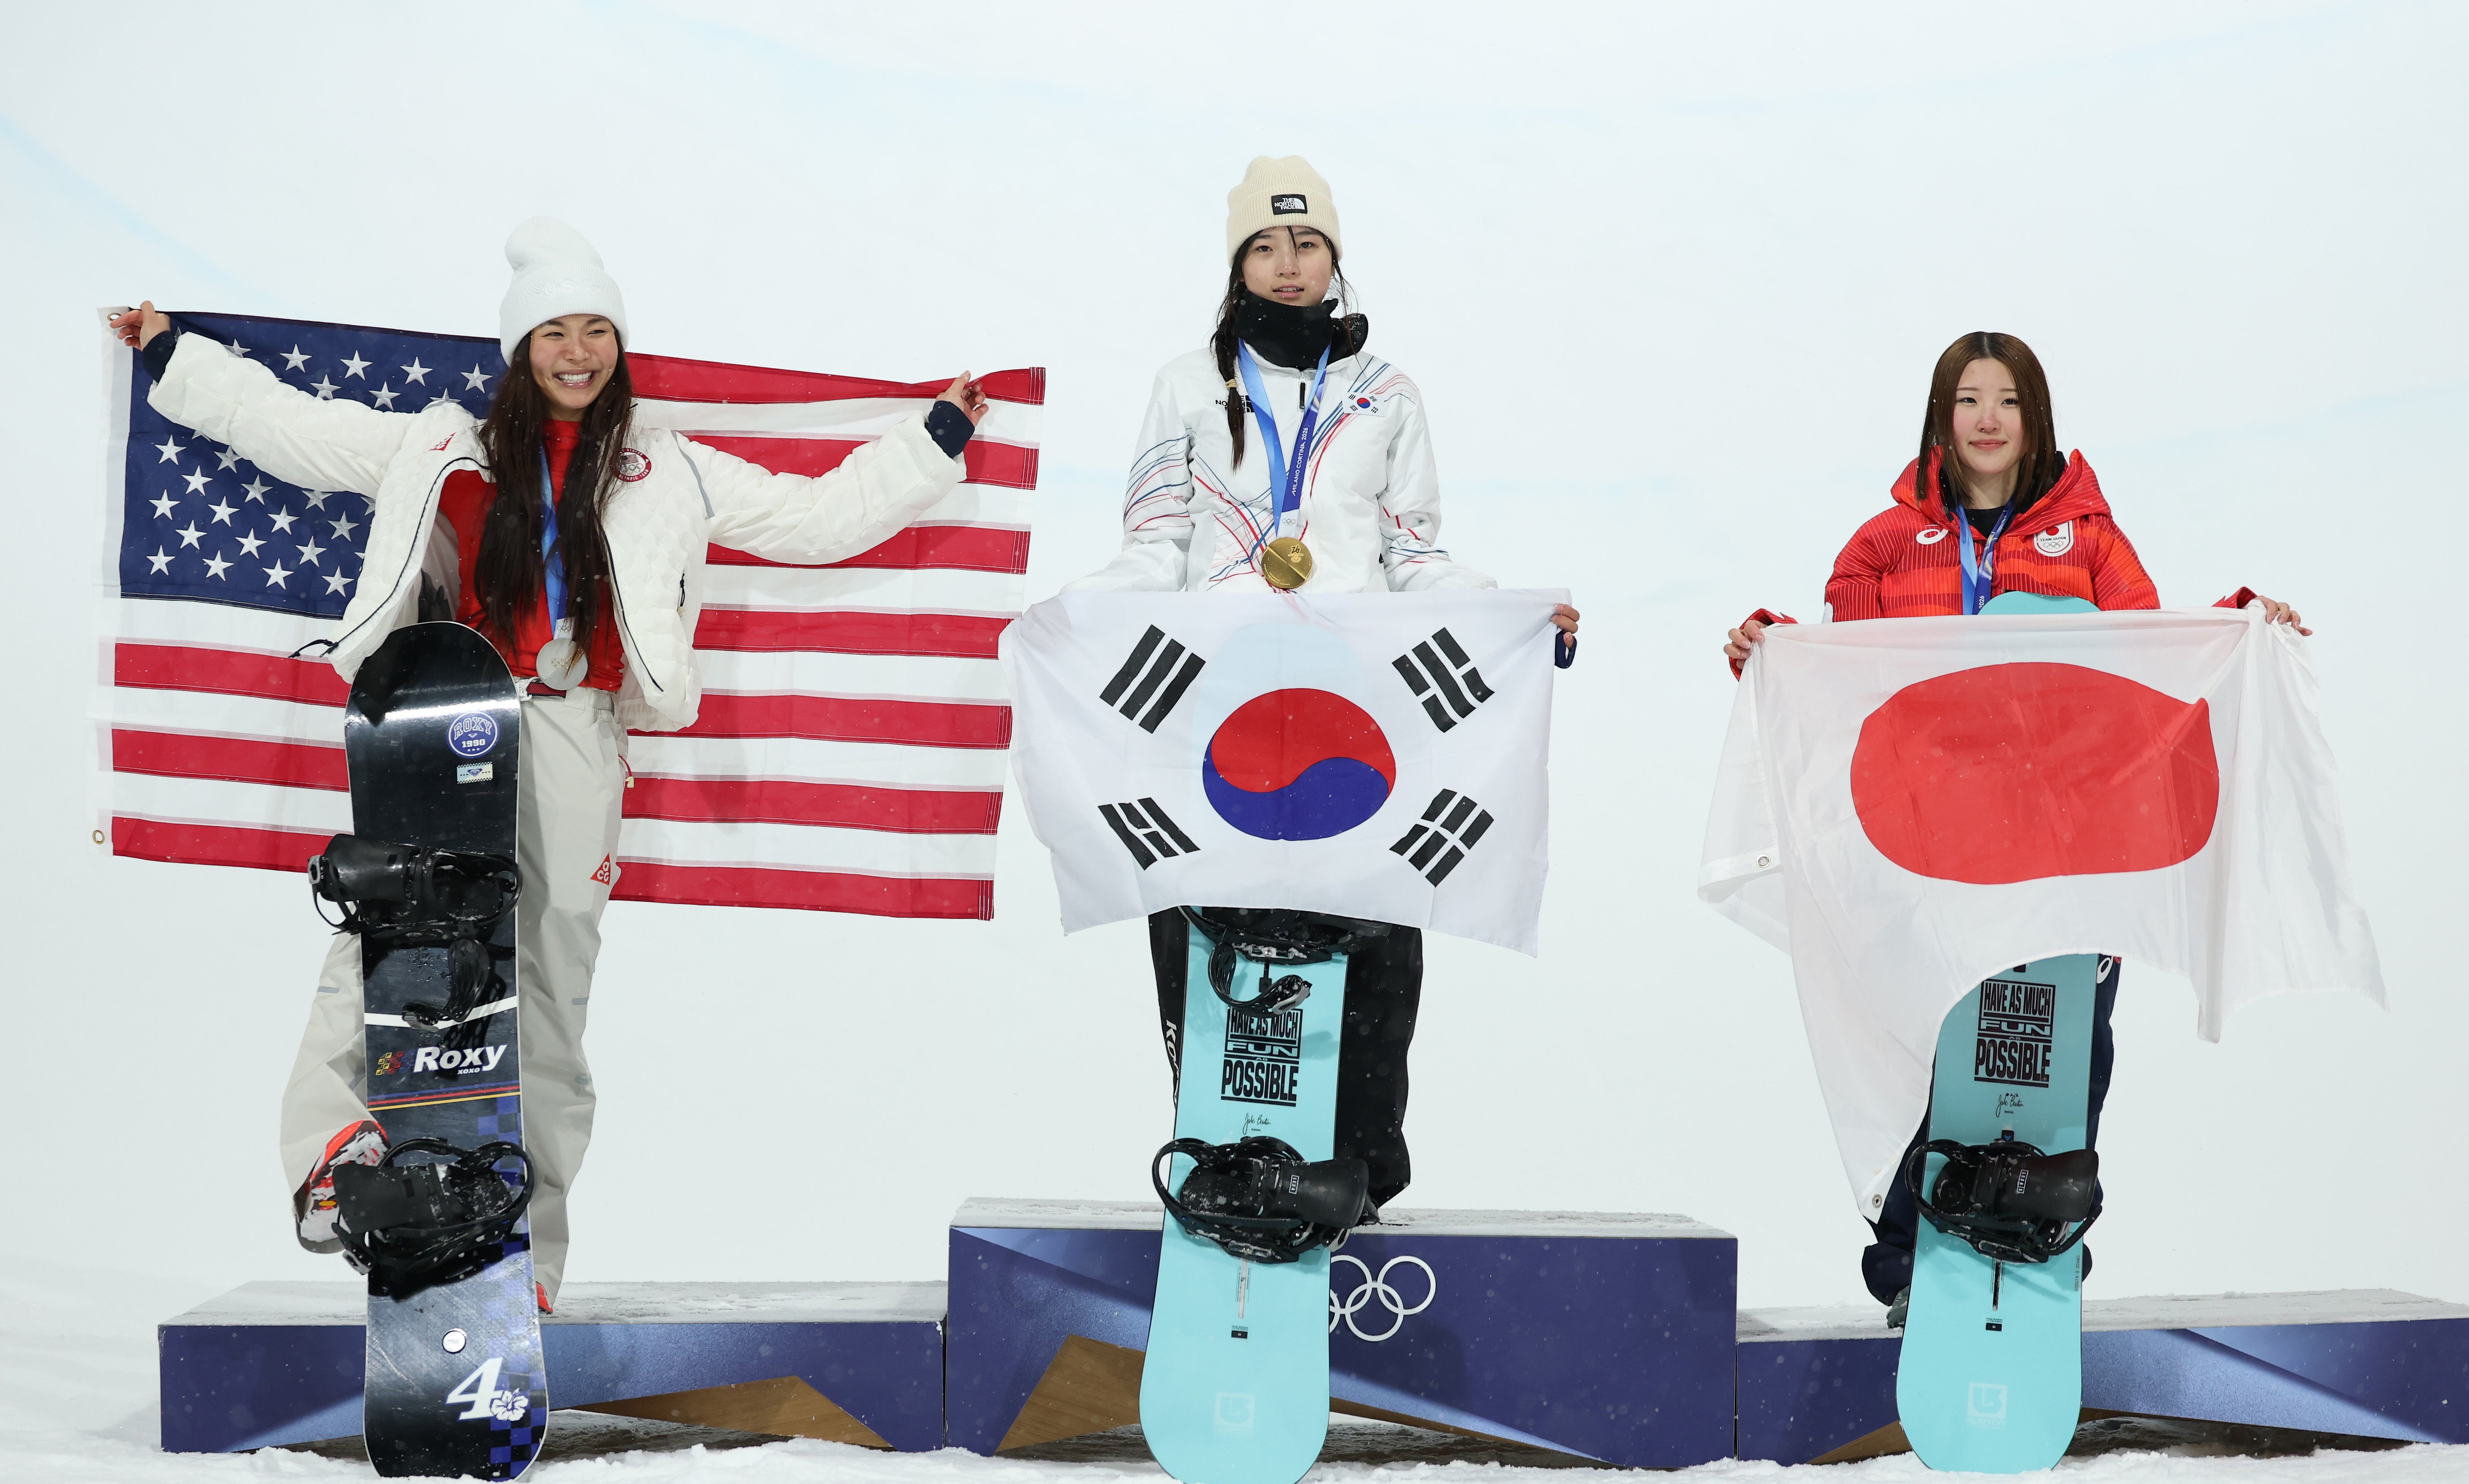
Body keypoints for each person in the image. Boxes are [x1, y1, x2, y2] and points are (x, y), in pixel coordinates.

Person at [108, 217, 987, 1307]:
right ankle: (334, 1161)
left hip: (578, 725)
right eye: (555, 333)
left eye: (598, 331)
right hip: (443, 714)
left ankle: (528, 1253)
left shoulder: (666, 465)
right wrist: (171, 356)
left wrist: (934, 437)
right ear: (520, 351)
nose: (579, 352)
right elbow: (297, 431)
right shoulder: (444, 442)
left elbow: (812, 518)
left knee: (552, 985)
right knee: (388, 936)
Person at [1722, 329, 2305, 1321]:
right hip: (1929, 850)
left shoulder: (2090, 542)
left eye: (2006, 401)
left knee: (2058, 1044)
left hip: (2063, 850)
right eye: (1966, 399)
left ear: (2034, 419)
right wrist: (1770, 653)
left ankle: (2040, 1247)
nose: (1986, 420)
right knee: (1926, 1046)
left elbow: (2145, 669)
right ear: (1940, 417)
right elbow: (1843, 687)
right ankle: (1913, 1267)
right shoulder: (1879, 545)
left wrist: (2239, 625)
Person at [1069, 156, 1579, 1217]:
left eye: (1306, 245)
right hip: (1219, 704)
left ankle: (1357, 1164)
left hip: (1355, 704)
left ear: (1335, 257)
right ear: (1237, 264)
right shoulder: (1185, 385)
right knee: (1210, 917)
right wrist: (1070, 619)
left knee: (1374, 917)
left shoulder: (1388, 394)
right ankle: (1218, 1142)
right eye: (1264, 246)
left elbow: (1412, 557)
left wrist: (1510, 612)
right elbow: (1154, 541)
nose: (1287, 264)